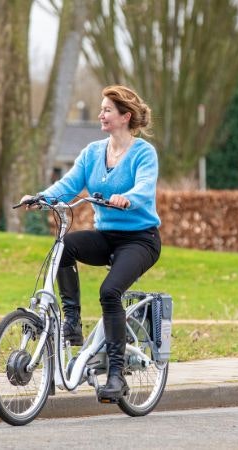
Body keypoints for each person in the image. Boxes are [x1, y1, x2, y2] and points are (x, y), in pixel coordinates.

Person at [20, 85, 161, 402]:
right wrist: (42, 198)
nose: (101, 114)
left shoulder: (143, 153)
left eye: (107, 110)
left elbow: (145, 188)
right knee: (64, 247)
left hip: (141, 239)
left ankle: (116, 376)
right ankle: (72, 321)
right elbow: (68, 184)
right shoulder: (93, 152)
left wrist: (129, 198)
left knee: (110, 292)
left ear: (125, 117)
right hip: (107, 236)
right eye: (101, 109)